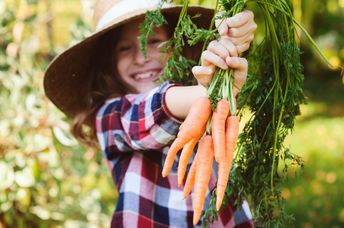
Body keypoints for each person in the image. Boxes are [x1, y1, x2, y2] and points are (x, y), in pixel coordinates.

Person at [44, 0, 257, 227]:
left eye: (154, 41)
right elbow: (151, 111)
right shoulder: (110, 117)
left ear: (178, 45)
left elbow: (213, 87)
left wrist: (232, 39)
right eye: (124, 48)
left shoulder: (197, 89)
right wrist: (205, 94)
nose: (141, 56)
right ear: (108, 62)